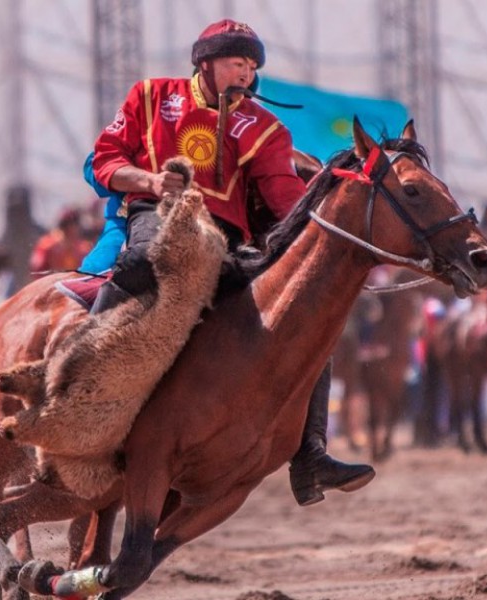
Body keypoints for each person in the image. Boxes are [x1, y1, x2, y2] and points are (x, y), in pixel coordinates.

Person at [81, 18, 373, 506]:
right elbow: (106, 157)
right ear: (206, 62)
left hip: (225, 241)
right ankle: (79, 388)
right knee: (137, 265)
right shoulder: (151, 96)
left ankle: (311, 455)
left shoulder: (263, 126)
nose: (246, 72)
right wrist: (148, 181)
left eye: (252, 65)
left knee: (301, 326)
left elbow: (285, 200)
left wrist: (332, 234)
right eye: (237, 62)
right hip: (160, 214)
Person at [29, 208, 92, 277]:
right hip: (53, 283)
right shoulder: (47, 245)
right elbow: (37, 269)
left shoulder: (84, 248)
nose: (76, 229)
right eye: (71, 225)